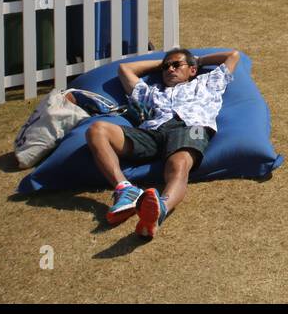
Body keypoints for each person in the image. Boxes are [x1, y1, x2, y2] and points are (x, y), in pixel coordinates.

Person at [85, 48, 241, 238]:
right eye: (166, 67)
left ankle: (160, 208)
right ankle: (126, 190)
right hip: (152, 131)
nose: (170, 69)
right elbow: (125, 69)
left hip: (193, 126)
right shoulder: (151, 92)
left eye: (176, 65)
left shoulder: (208, 82)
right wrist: (161, 63)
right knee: (97, 130)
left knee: (179, 163)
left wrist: (197, 61)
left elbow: (232, 55)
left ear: (192, 70)